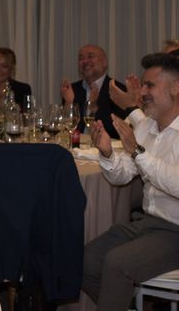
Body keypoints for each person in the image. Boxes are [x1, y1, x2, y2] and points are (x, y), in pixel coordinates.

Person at [83, 53, 179, 310]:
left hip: (175, 230)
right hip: (146, 224)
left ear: (175, 87)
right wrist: (106, 153)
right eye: (144, 85)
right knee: (86, 260)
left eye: (150, 86)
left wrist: (138, 152)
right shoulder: (147, 127)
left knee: (116, 264)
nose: (142, 93)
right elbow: (122, 175)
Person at [60, 44, 127, 138]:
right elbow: (65, 130)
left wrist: (93, 109)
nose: (85, 61)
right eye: (81, 58)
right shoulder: (72, 89)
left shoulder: (118, 89)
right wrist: (69, 103)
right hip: (77, 149)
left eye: (90, 56)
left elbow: (117, 130)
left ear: (104, 62)